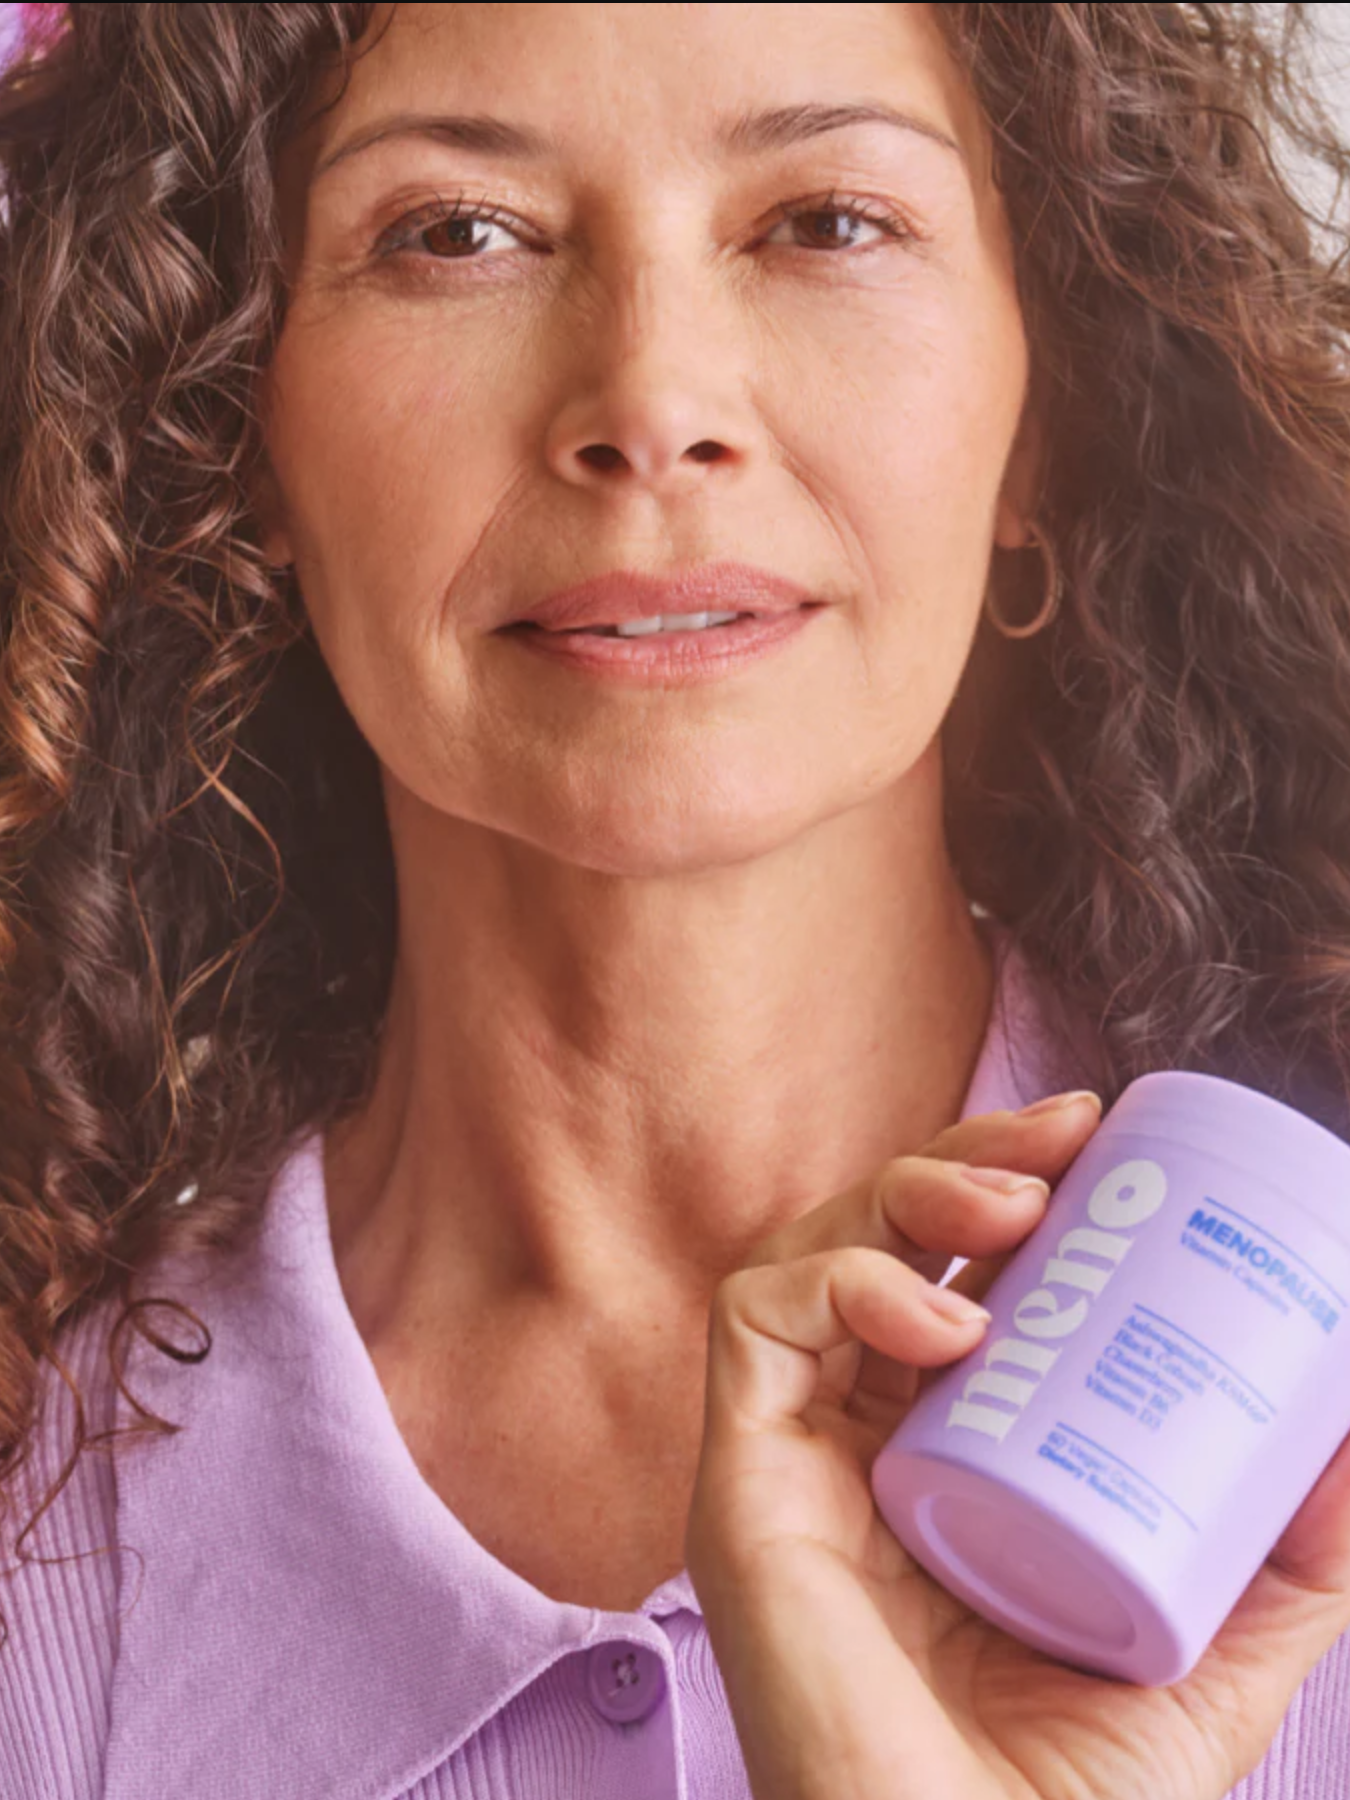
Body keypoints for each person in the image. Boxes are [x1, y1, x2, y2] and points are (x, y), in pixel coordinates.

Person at [2, 2, 1350, 1795]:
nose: (651, 404)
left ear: (1048, 422)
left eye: (827, 222)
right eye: (454, 234)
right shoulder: (38, 1527)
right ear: (230, 432)